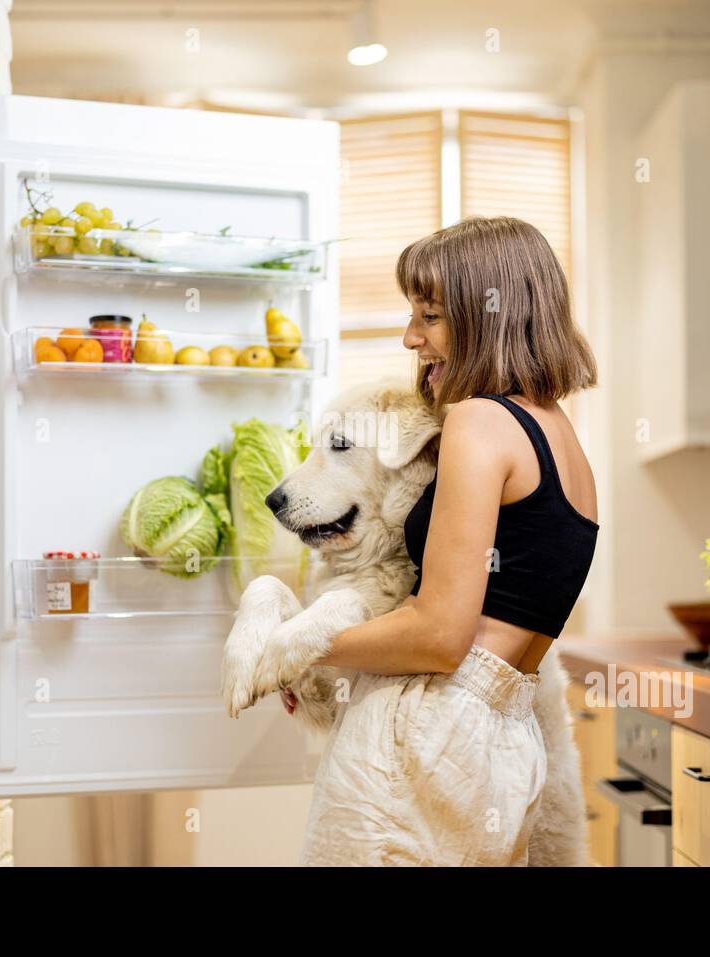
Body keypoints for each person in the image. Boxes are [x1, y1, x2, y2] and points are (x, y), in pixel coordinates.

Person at [289, 216, 600, 866]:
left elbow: (439, 634)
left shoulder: (480, 423)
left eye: (429, 316)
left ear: (489, 315)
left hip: (426, 729)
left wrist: (299, 648)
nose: (411, 337)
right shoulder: (560, 438)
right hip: (497, 740)